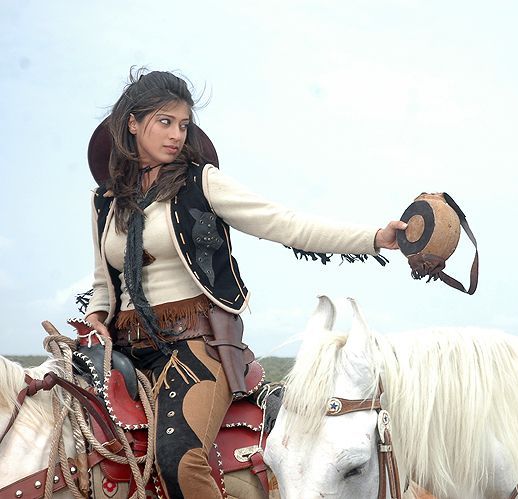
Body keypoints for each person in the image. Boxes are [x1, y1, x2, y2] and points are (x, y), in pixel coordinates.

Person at [83, 68, 406, 499]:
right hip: (121, 347)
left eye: (183, 125)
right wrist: (96, 315)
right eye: (165, 122)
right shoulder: (104, 202)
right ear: (133, 123)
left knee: (179, 457)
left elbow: (285, 223)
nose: (177, 135)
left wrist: (374, 238)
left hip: (192, 345)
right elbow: (104, 281)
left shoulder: (202, 183)